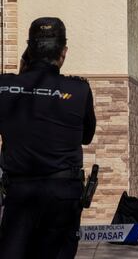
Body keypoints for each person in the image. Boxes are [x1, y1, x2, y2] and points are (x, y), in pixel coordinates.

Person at [0, 17, 96, 259]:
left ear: (28, 50)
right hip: (63, 195)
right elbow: (86, 137)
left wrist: (23, 73)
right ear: (63, 52)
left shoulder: (4, 87)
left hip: (19, 193)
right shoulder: (79, 90)